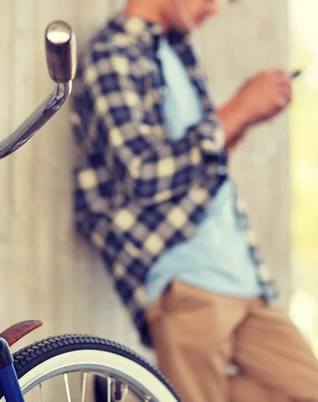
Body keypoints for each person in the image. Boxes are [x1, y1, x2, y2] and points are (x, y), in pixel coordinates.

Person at [70, 0, 318, 400]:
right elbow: (143, 174)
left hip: (243, 278)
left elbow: (192, 172)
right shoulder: (113, 54)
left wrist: (241, 121)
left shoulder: (176, 52)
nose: (214, 9)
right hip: (185, 283)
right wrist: (239, 108)